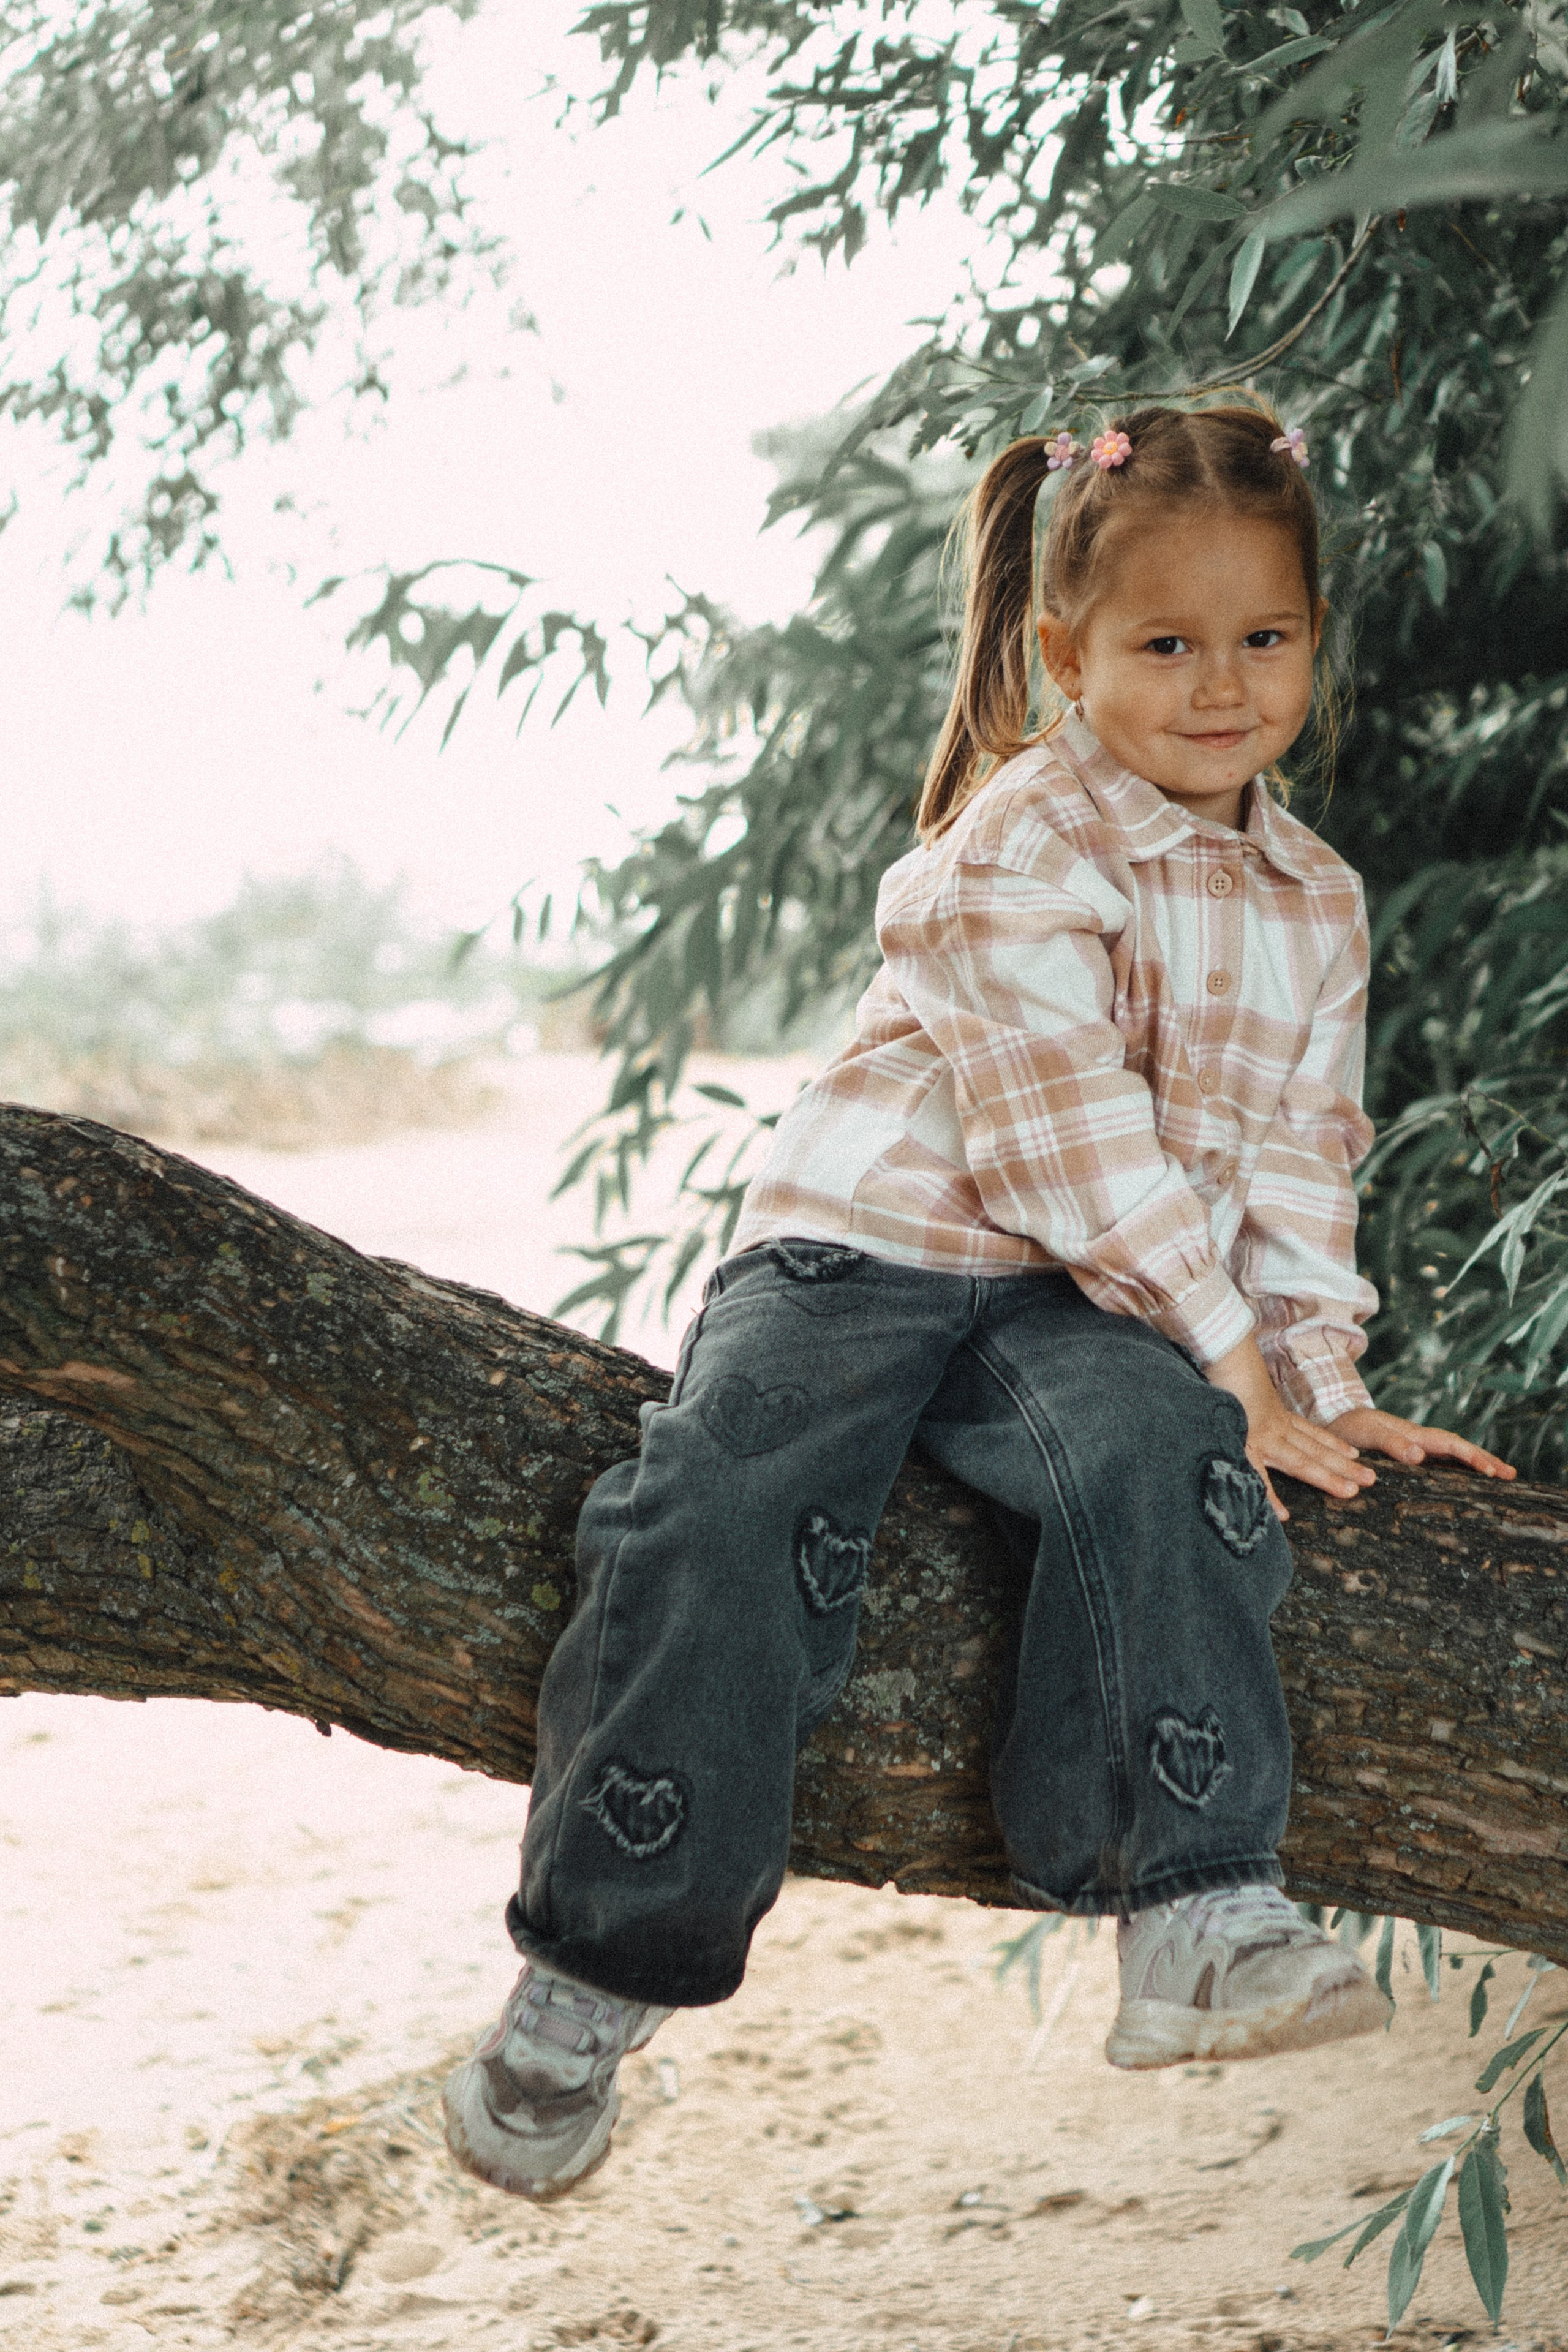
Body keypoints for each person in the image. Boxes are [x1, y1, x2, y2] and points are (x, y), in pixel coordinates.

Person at [443, 401, 1515, 2203]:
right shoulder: (1024, 837)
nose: (1222, 684)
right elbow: (1065, 1138)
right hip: (864, 1252)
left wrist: (1306, 1384)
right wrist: (1237, 1351)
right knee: (726, 1496)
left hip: (1076, 1304)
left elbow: (1297, 1162)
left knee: (1177, 1458)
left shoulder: (1316, 897)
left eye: (1267, 639)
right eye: (1167, 645)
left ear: (1317, 641)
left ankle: (1196, 1913)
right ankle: (590, 1974)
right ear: (1064, 654)